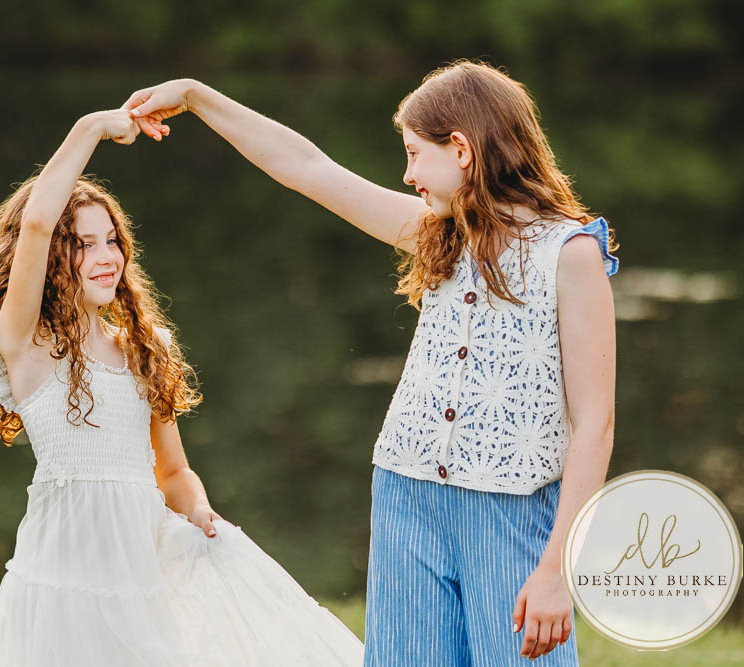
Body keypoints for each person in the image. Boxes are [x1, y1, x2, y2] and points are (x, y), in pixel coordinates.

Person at [124, 59, 619, 665]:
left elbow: (595, 426)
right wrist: (199, 98)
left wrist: (556, 571)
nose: (408, 174)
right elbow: (307, 168)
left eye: (415, 154)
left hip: (511, 506)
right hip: (406, 494)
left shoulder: (570, 255)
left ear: (461, 149)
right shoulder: (437, 232)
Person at [0, 109, 364, 666]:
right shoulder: (27, 346)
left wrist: (199, 511)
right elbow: (34, 223)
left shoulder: (144, 348)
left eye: (112, 240)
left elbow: (172, 471)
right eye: (83, 245)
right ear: (54, 256)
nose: (106, 258)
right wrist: (91, 128)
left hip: (143, 568)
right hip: (61, 575)